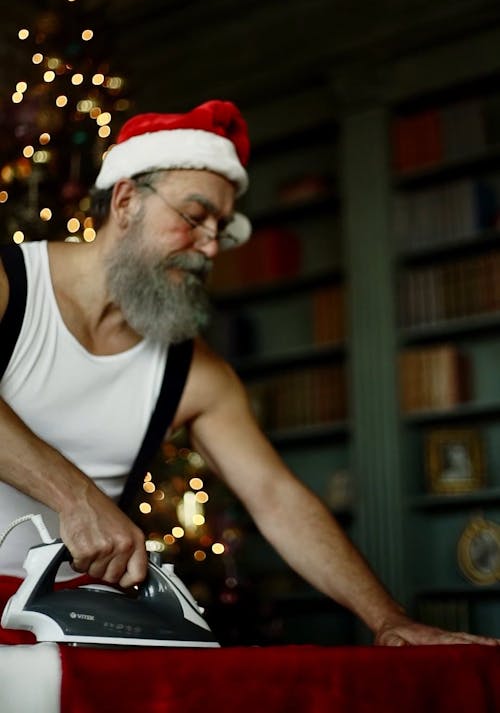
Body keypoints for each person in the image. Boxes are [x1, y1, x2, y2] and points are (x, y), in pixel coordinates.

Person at [0, 99, 497, 648]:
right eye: (193, 217)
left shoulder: (195, 371)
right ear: (125, 201)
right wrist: (77, 497)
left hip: (70, 624)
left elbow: (275, 496)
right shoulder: (8, 283)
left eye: (221, 229)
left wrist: (388, 620)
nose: (210, 247)